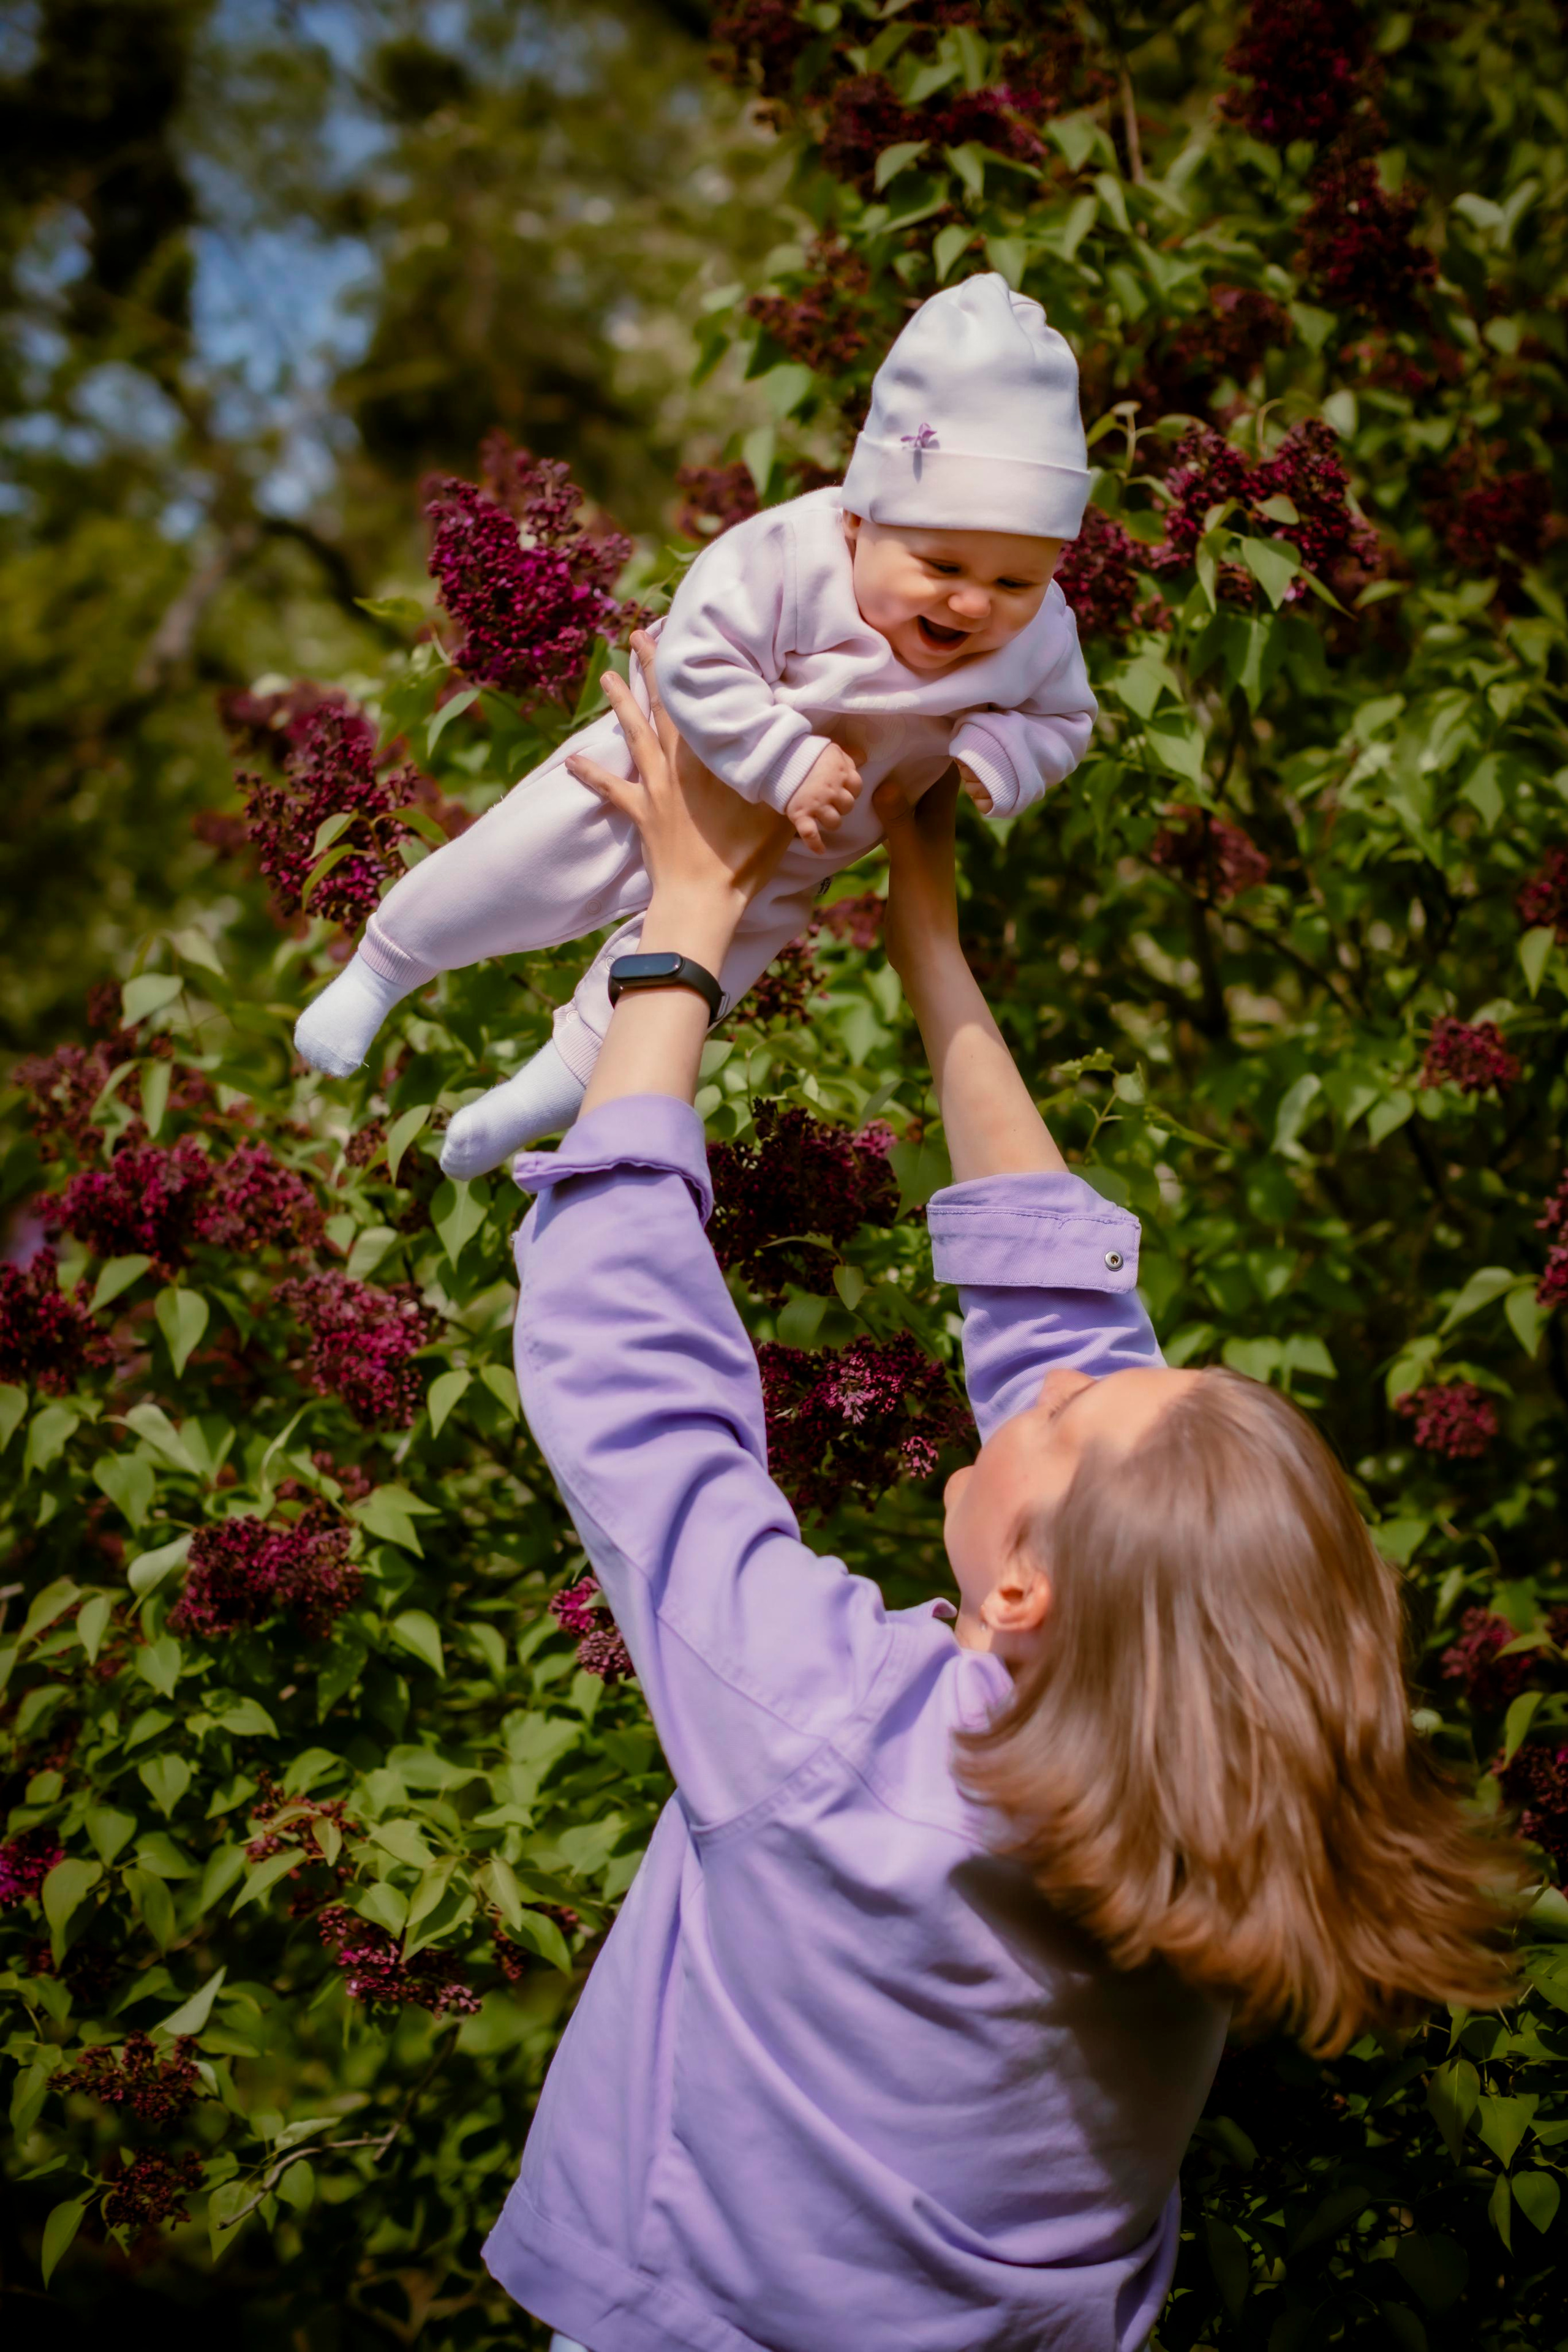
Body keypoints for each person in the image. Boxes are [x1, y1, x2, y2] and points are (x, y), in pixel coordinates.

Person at [483, 644, 1513, 2352]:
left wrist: (673, 934)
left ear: (1024, 1588)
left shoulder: (832, 1741)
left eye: (1080, 1411)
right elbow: (1068, 1327)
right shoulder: (1215, 1812)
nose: (1061, 1375)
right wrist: (933, 951)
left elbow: (631, 1379)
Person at [293, 275, 1097, 1177]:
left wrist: (1000, 756)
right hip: (675, 772)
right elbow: (697, 663)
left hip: (802, 848)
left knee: (700, 980)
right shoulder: (789, 557)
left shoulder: (1044, 634)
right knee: (517, 862)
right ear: (859, 516)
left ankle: (534, 1099)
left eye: (1014, 583)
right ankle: (384, 967)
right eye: (942, 562)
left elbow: (1065, 719)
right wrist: (786, 758)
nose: (972, 601)